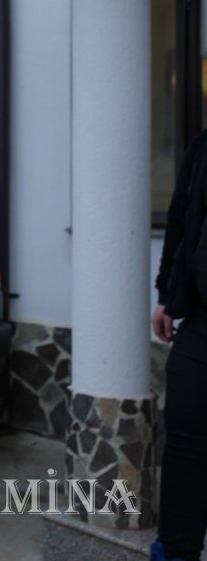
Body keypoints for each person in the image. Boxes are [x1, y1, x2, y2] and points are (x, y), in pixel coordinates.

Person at [151, 129, 207, 561]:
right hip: (203, 319)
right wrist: (167, 295)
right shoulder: (204, 146)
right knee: (186, 440)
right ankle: (175, 551)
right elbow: (182, 216)